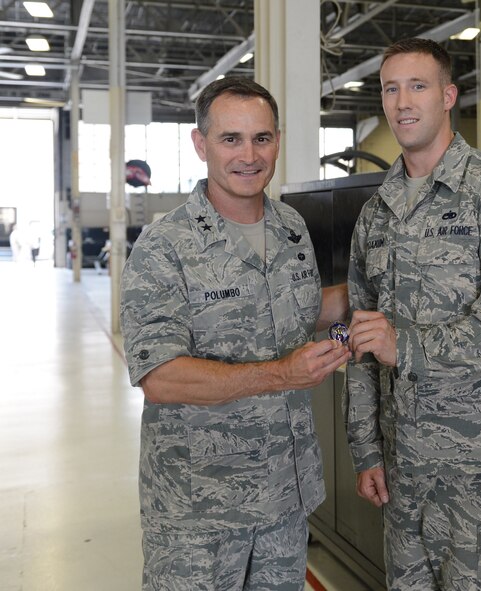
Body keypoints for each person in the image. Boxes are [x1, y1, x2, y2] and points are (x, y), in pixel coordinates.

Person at [120, 77, 351, 590]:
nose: (249, 155)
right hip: (199, 511)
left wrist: (380, 291)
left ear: (277, 141)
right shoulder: (165, 247)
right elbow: (160, 377)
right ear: (201, 144)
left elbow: (301, 308)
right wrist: (282, 374)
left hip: (285, 498)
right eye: (231, 139)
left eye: (262, 138)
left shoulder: (291, 228)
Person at [344, 38, 481, 590]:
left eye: (418, 86)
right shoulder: (376, 212)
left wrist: (407, 346)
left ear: (448, 96)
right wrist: (366, 448)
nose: (403, 102)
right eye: (391, 89)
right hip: (404, 472)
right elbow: (362, 342)